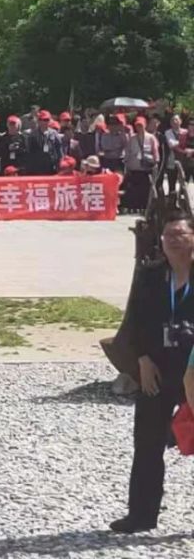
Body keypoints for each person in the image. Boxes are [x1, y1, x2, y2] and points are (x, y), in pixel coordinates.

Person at [111, 210, 194, 533]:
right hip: (156, 370)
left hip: (193, 371)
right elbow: (135, 321)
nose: (173, 241)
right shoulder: (150, 276)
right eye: (168, 235)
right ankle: (141, 515)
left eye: (180, 235)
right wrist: (143, 360)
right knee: (147, 443)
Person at [122, 117, 159, 212]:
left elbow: (155, 151)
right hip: (134, 166)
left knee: (145, 188)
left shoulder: (151, 137)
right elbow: (128, 151)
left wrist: (155, 162)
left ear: (145, 125)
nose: (139, 127)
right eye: (137, 125)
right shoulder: (132, 138)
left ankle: (145, 206)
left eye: (141, 125)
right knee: (134, 187)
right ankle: (135, 206)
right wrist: (126, 163)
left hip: (146, 167)